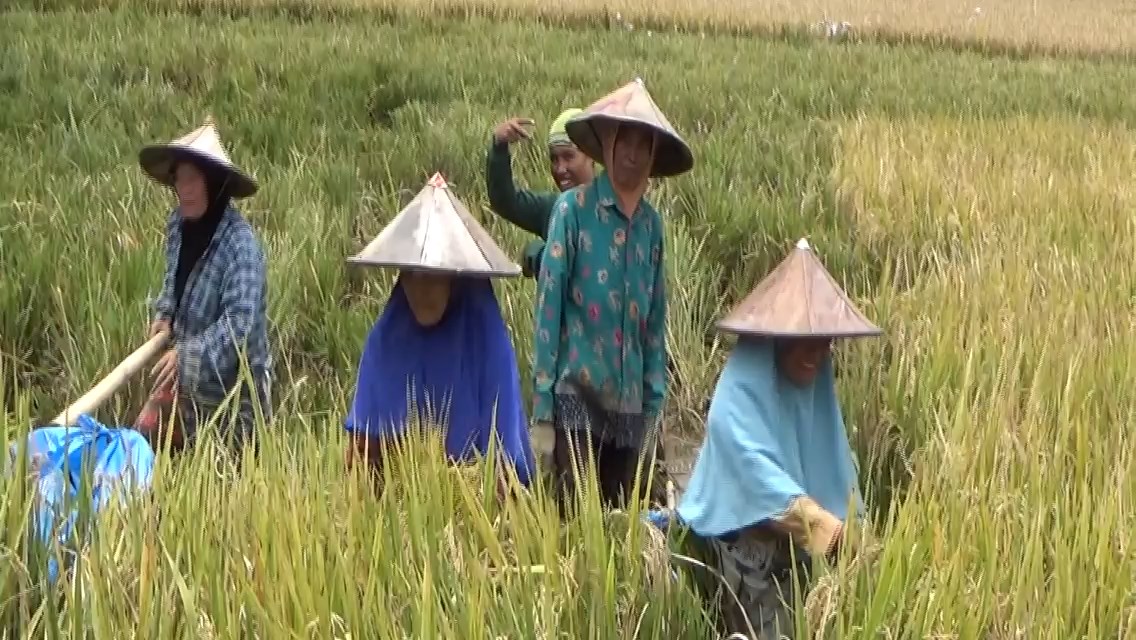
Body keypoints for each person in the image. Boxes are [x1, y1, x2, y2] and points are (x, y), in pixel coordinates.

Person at [674, 238, 883, 639]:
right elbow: (765, 488)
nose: (813, 353)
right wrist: (835, 535)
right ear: (771, 341)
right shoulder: (736, 402)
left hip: (797, 556)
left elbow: (839, 473)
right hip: (741, 552)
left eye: (823, 341)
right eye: (799, 340)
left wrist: (866, 543)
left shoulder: (814, 396)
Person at [531, 78, 694, 513]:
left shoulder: (651, 228)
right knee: (582, 530)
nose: (634, 153)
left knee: (629, 531)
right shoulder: (573, 212)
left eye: (645, 144)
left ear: (655, 154)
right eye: (626, 139)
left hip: (631, 410)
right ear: (607, 142)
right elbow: (549, 308)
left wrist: (655, 409)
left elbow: (655, 325)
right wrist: (543, 408)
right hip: (577, 401)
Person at [343, 172, 537, 491]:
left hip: (475, 504)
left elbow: (506, 467)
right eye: (412, 275)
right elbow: (361, 457)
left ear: (457, 278)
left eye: (434, 276)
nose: (421, 289)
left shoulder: (486, 344)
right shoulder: (386, 344)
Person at [135, 116, 271, 455]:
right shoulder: (178, 227)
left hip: (235, 394)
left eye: (194, 179)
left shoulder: (241, 247)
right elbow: (173, 280)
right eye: (179, 179)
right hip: (185, 381)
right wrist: (165, 314)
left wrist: (187, 354)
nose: (185, 189)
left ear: (215, 184)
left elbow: (239, 327)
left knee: (219, 484)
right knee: (143, 447)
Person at [485, 109, 596, 279]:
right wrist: (499, 146)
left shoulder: (612, 210)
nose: (560, 168)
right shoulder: (554, 209)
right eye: (554, 159)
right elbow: (505, 201)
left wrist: (540, 255)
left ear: (592, 155)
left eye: (568, 156)